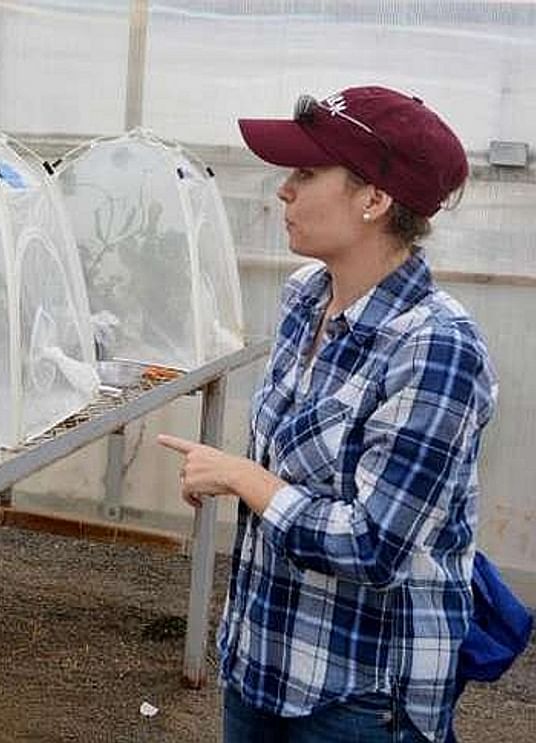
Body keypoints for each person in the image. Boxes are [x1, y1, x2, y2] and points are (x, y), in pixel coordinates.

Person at [158, 86, 498, 742]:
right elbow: (288, 463)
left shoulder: (436, 346)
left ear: (374, 200)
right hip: (265, 659)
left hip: (361, 693)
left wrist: (242, 478)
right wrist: (232, 475)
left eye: (308, 173)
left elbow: (375, 547)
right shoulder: (304, 297)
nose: (284, 189)